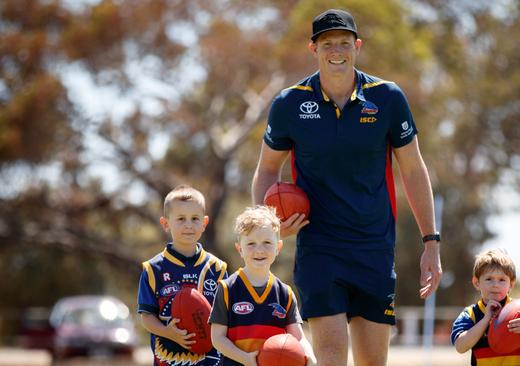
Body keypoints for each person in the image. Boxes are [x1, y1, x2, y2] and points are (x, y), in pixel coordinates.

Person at [251, 8, 442, 366]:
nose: (336, 50)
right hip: (319, 248)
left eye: (343, 43)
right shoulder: (289, 103)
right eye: (327, 44)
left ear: (357, 46)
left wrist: (431, 241)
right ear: (313, 49)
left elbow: (414, 170)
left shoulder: (387, 98)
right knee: (332, 356)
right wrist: (269, 226)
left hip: (374, 247)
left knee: (372, 362)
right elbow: (266, 170)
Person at [209, 205, 316, 366]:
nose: (259, 250)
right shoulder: (227, 289)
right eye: (251, 243)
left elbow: (299, 338)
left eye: (267, 242)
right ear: (240, 249)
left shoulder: (285, 293)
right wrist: (245, 359)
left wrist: (309, 355)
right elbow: (217, 338)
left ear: (278, 247)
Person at [137, 184, 228, 366]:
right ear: (165, 223)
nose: (188, 225)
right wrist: (168, 332)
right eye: (181, 219)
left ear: (204, 223)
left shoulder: (217, 268)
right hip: (170, 360)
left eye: (195, 218)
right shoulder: (153, 269)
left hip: (211, 361)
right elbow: (146, 317)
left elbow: (227, 318)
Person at [450, 248, 520, 365]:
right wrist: (486, 319)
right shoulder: (471, 313)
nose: (495, 285)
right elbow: (460, 346)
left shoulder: (519, 310)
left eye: (502, 280)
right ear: (477, 283)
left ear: (511, 285)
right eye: (489, 279)